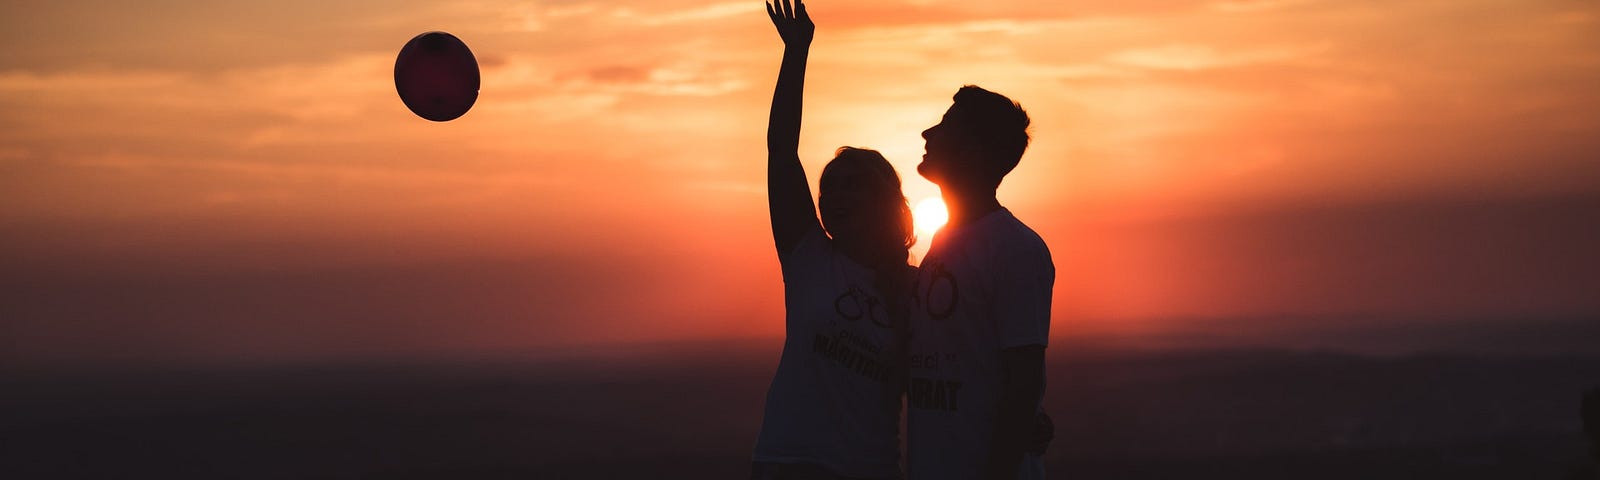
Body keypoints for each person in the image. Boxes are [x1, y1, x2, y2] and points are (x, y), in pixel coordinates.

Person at [750, 1, 917, 479]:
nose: (835, 198)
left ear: (885, 201)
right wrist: (796, 53)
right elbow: (781, 150)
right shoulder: (808, 257)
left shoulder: (918, 290)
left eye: (852, 185)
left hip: (869, 466)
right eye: (828, 189)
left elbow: (949, 377)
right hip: (789, 461)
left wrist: (1025, 414)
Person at [905, 86, 1054, 480]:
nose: (928, 134)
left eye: (945, 126)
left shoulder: (1015, 248)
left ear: (973, 150)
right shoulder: (942, 245)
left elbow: (1024, 381)